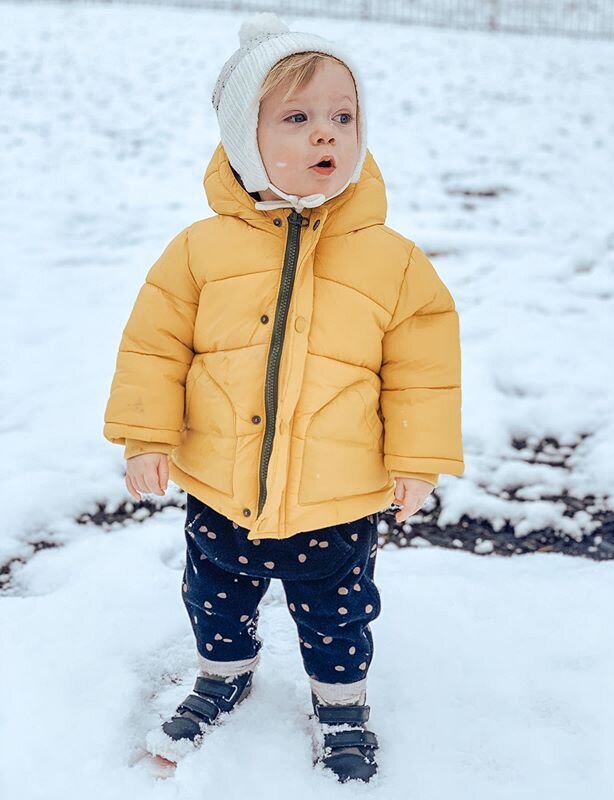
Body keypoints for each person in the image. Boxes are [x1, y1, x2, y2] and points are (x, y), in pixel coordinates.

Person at [103, 12, 464, 783]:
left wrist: (417, 457)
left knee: (339, 614)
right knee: (215, 595)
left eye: (342, 117)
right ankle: (222, 675)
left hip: (337, 498)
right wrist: (146, 436)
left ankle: (341, 704)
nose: (324, 136)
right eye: (296, 119)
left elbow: (422, 366)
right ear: (243, 139)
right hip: (220, 486)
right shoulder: (199, 251)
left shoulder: (392, 262)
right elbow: (154, 346)